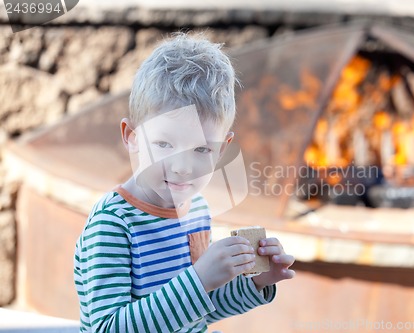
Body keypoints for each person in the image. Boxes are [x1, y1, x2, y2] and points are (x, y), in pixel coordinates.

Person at [73, 32, 295, 333]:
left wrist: (255, 283)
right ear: (132, 137)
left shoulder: (196, 210)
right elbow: (108, 328)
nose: (181, 168)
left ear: (222, 149)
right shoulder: (113, 224)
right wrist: (199, 279)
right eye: (164, 144)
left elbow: (198, 310)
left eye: (201, 149)